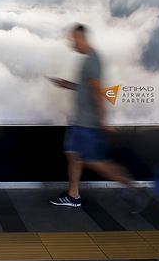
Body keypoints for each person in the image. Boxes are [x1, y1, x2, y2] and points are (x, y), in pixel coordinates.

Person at [47, 24, 140, 208]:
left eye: (73, 40)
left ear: (81, 38)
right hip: (80, 120)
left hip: (88, 123)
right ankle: (73, 195)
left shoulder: (92, 60)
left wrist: (103, 120)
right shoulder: (88, 59)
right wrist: (69, 85)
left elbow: (97, 92)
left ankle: (131, 186)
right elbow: (88, 88)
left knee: (96, 162)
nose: (71, 44)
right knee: (73, 155)